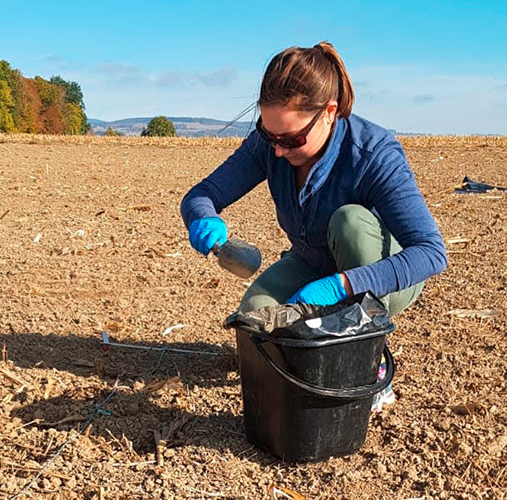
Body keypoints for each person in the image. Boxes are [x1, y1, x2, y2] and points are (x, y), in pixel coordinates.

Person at [181, 42, 447, 407]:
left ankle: (371, 367)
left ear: (329, 113)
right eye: (269, 133)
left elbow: (430, 254)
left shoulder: (374, 154)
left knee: (350, 222)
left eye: (291, 139)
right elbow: (204, 192)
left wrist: (342, 286)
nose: (277, 150)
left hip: (378, 273)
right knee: (256, 326)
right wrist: (202, 218)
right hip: (311, 261)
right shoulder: (270, 144)